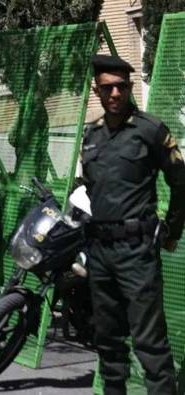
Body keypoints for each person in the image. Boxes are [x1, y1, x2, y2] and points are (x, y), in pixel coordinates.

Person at [81, 54, 185, 395]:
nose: (114, 94)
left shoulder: (150, 130)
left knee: (150, 344)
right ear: (96, 90)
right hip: (100, 252)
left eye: (121, 87)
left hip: (136, 252)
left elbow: (181, 182)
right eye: (107, 88)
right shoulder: (91, 136)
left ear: (129, 88)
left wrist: (172, 230)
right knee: (108, 342)